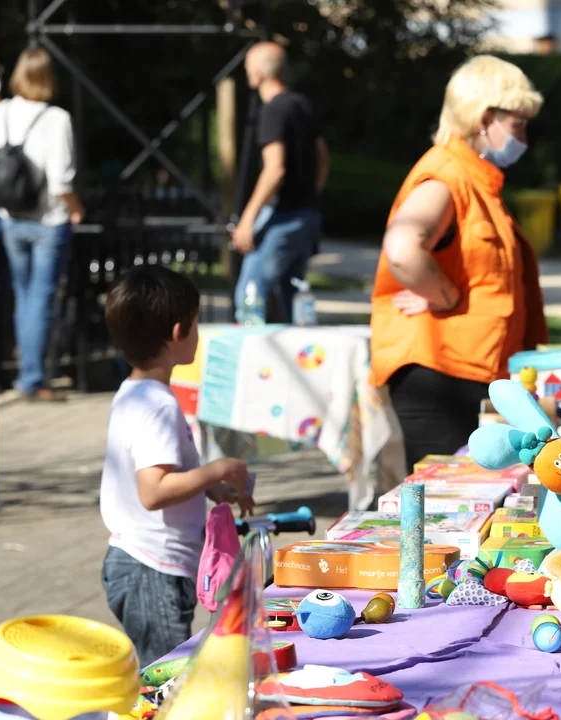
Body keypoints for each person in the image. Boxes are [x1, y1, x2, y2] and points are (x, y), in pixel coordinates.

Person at [369, 55, 548, 471]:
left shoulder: (475, 179)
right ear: (485, 118)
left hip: (466, 370)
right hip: (441, 377)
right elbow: (403, 247)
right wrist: (445, 295)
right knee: (448, 502)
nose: (524, 137)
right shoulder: (448, 174)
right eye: (519, 124)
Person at [100, 265, 254, 666]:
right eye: (197, 324)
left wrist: (211, 489)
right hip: (153, 568)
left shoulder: (134, 392)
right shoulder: (158, 405)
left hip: (142, 564)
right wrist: (219, 469)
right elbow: (153, 491)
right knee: (168, 680)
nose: (199, 334)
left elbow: (164, 474)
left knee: (167, 673)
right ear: (178, 332)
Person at [0, 48, 84, 401]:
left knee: (22, 296)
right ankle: (32, 378)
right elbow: (61, 181)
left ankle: (25, 373)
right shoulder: (56, 118)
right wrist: (77, 210)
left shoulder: (3, 111)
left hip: (10, 217)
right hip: (47, 220)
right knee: (40, 299)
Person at [232, 42, 329, 323]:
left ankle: (249, 350)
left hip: (283, 216)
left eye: (248, 68)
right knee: (293, 299)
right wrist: (312, 192)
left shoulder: (273, 110)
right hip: (307, 215)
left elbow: (275, 170)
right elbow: (322, 154)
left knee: (251, 293)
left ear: (259, 72)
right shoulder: (301, 105)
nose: (247, 74)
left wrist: (247, 219)